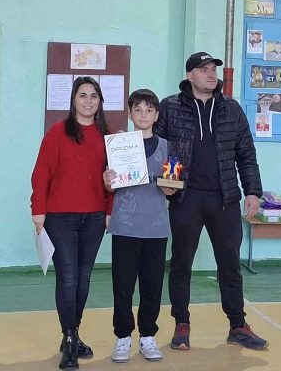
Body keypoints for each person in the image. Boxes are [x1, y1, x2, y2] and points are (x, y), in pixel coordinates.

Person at [154, 52, 268, 351]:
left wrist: (253, 191)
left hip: (224, 199)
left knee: (230, 266)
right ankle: (181, 324)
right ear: (190, 75)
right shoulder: (170, 107)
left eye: (213, 69)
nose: (210, 74)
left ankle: (237, 325)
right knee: (181, 264)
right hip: (186, 198)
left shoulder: (231, 109)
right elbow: (160, 149)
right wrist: (164, 181)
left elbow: (246, 153)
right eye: (203, 69)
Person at [30, 76, 113, 370]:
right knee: (68, 277)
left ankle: (73, 332)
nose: (88, 101)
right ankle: (68, 339)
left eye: (94, 96)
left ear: (100, 101)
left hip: (94, 218)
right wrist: (38, 210)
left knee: (84, 277)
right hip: (60, 218)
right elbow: (41, 173)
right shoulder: (57, 133)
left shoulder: (108, 137)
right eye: (82, 95)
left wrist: (109, 209)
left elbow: (113, 179)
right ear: (73, 100)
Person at [102, 89, 177, 363]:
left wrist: (171, 189)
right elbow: (109, 185)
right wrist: (107, 181)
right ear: (130, 113)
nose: (143, 114)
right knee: (122, 286)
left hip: (156, 229)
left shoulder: (168, 147)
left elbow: (173, 184)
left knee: (152, 286)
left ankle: (147, 336)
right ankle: (123, 336)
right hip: (125, 226)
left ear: (156, 115)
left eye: (149, 110)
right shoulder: (118, 145)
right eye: (138, 109)